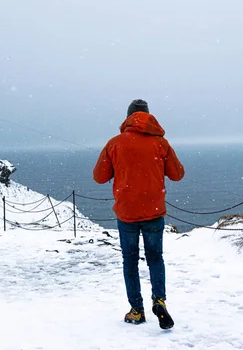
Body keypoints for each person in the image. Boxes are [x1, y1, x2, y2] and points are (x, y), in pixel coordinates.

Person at [93, 99, 185, 329]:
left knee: (130, 261)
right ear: (148, 117)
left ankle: (137, 310)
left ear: (128, 117)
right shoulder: (160, 143)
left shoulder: (115, 143)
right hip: (154, 211)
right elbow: (178, 174)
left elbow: (99, 177)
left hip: (127, 214)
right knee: (155, 258)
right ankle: (160, 301)